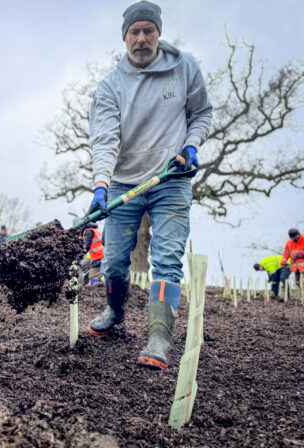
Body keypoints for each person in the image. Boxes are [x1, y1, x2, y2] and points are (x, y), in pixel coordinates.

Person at [86, 0, 212, 370]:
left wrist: (191, 145)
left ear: (158, 33)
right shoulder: (111, 86)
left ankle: (159, 336)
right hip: (124, 182)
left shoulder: (183, 67)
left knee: (167, 258)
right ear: (125, 37)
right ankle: (114, 309)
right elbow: (105, 139)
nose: (141, 38)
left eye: (148, 31)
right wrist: (100, 185)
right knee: (113, 259)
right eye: (134, 32)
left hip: (170, 180)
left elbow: (201, 113)